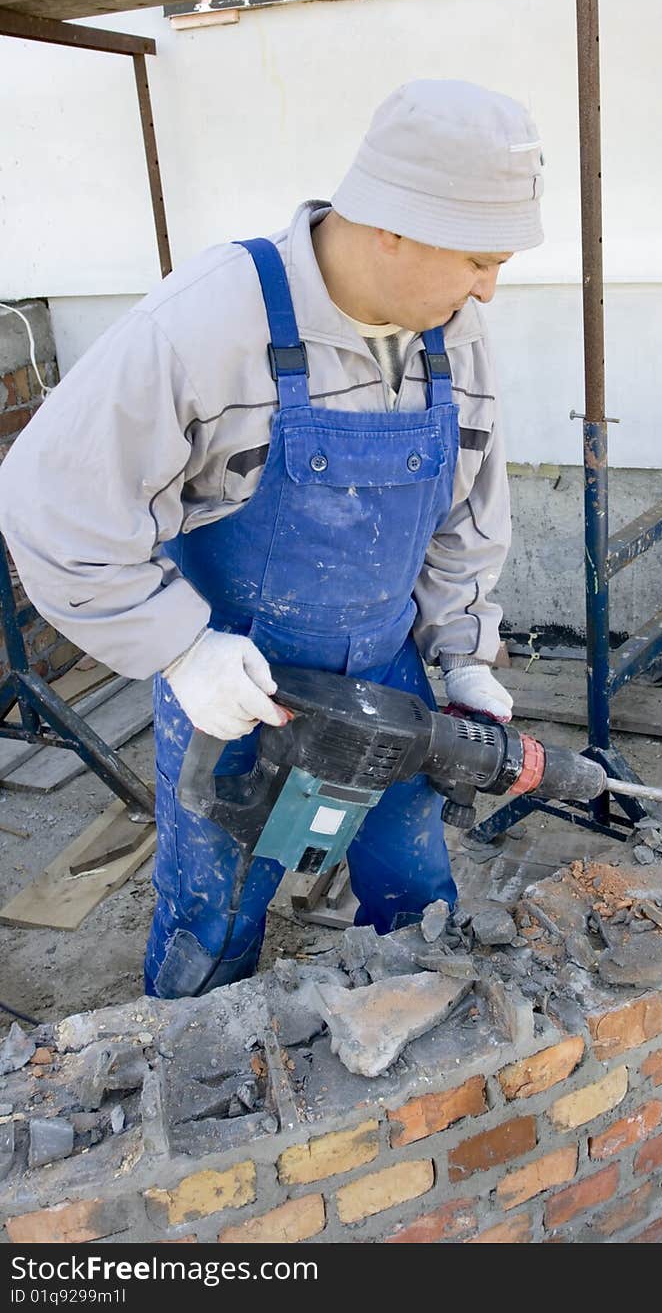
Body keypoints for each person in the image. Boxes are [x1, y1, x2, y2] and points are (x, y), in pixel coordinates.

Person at [0, 79, 544, 998]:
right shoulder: (211, 321)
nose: (491, 286)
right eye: (479, 258)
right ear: (392, 226)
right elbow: (53, 502)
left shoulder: (455, 332)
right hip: (240, 681)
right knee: (215, 905)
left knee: (415, 883)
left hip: (388, 669)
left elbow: (464, 515)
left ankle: (422, 1061)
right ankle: (197, 1079)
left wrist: (466, 661)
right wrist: (178, 650)